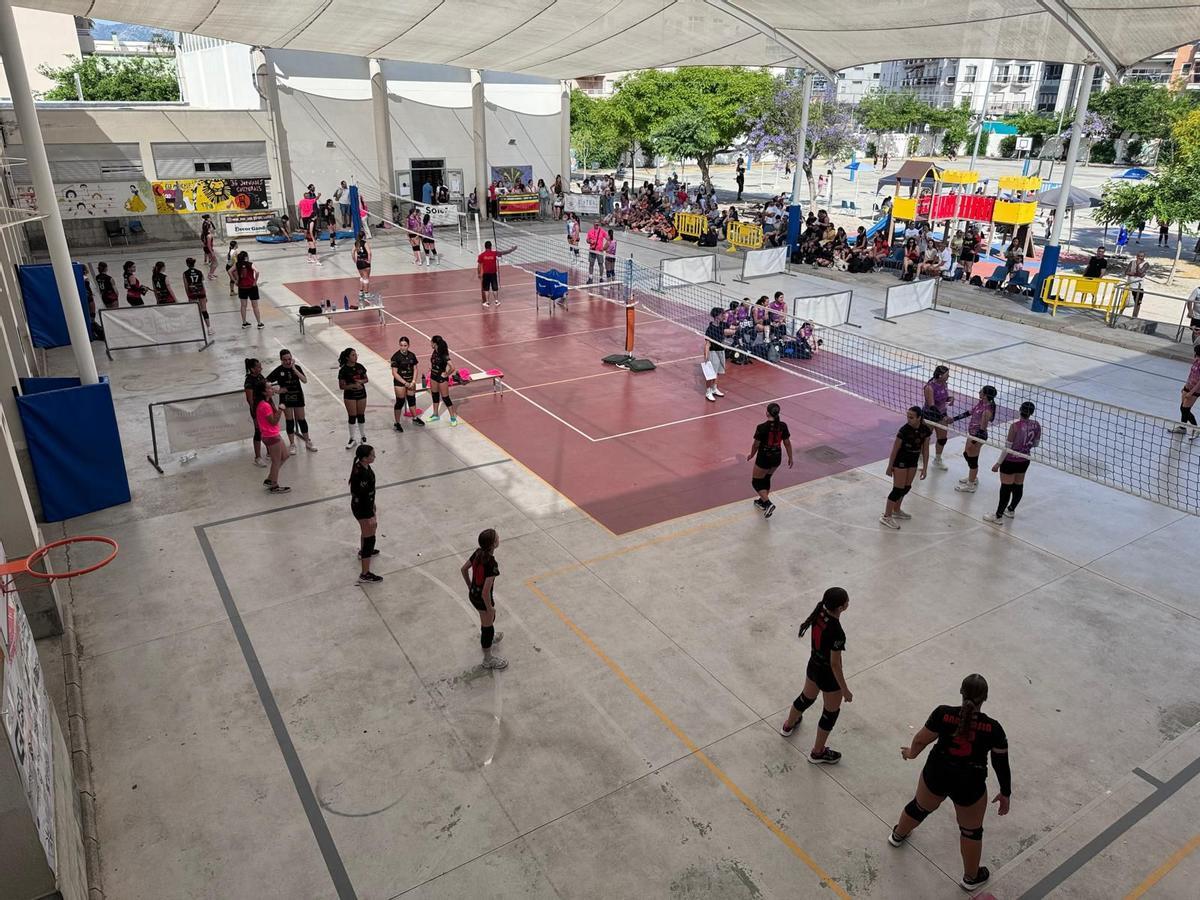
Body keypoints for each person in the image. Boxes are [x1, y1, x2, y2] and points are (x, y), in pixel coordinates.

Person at [890, 676, 1010, 894]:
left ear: (961, 693)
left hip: (937, 773)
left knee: (919, 806)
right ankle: (971, 878)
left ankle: (898, 835)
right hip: (970, 784)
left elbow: (920, 740)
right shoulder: (994, 729)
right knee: (971, 831)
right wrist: (1005, 792)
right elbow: (1000, 763)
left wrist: (911, 754)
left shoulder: (943, 713)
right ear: (986, 698)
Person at [778, 586, 853, 765]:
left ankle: (789, 724)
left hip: (813, 666)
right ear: (842, 607)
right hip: (828, 676)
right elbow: (835, 663)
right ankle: (818, 753)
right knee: (830, 713)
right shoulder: (837, 632)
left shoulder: (819, 613)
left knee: (805, 698)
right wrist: (845, 690)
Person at [984, 401, 1041, 524]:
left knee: (1005, 488)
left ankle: (998, 516)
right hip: (1024, 460)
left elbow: (1007, 447)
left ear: (1020, 410)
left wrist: (998, 463)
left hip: (1010, 461)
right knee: (1018, 485)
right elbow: (1035, 444)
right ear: (1031, 412)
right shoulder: (1036, 425)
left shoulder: (1015, 426)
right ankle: (1011, 510)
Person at [460, 528, 507, 670]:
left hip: (474, 595)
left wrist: (470, 585)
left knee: (489, 621)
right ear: (493, 544)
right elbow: (486, 592)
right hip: (481, 599)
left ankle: (489, 639)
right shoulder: (491, 564)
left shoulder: (477, 552)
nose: (499, 538)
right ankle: (488, 659)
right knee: (487, 628)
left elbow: (463, 569)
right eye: (497, 538)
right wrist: (489, 607)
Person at [881, 407, 931, 530]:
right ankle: (886, 516)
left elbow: (925, 450)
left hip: (913, 461)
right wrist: (890, 466)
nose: (908, 419)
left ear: (919, 417)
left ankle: (896, 510)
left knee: (906, 487)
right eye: (907, 416)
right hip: (901, 461)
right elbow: (895, 450)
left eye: (911, 417)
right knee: (898, 489)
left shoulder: (925, 430)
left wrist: (925, 467)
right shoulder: (904, 430)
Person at [747, 403, 793, 517]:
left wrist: (751, 455)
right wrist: (790, 457)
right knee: (767, 478)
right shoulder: (783, 426)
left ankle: (768, 503)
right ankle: (762, 502)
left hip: (764, 458)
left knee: (756, 482)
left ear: (767, 413)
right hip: (777, 457)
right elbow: (787, 443)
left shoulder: (762, 427)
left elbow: (756, 445)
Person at [267, 349, 316, 453]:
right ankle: (292, 444)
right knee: (290, 421)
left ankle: (307, 441)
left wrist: (294, 369)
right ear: (281, 360)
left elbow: (304, 380)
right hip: (286, 398)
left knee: (301, 419)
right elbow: (266, 382)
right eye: (285, 360)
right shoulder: (278, 370)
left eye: (289, 359)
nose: (288, 361)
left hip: (297, 396)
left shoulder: (296, 367)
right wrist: (278, 390)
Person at [349, 444, 382, 583]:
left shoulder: (361, 466)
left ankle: (363, 552)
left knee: (369, 530)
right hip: (362, 508)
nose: (374, 457)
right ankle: (365, 574)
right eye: (372, 455)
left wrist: (372, 504)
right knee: (370, 539)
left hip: (364, 505)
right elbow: (362, 496)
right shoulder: (361, 474)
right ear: (364, 459)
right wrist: (370, 515)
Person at [254, 380, 290, 494]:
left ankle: (270, 479)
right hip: (271, 436)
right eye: (269, 388)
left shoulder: (267, 402)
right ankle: (274, 485)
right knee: (276, 461)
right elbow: (273, 421)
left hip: (274, 434)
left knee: (285, 455)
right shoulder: (264, 406)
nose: (272, 389)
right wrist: (281, 409)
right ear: (264, 392)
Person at [922, 365, 955, 469]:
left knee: (942, 439)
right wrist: (944, 418)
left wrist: (951, 398)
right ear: (940, 375)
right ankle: (919, 457)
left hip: (942, 414)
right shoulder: (929, 387)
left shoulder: (944, 384)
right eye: (947, 374)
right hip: (929, 415)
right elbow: (932, 406)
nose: (949, 376)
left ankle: (937, 460)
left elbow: (942, 399)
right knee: (924, 438)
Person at [390, 335, 425, 431]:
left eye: (405, 345)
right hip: (400, 383)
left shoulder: (412, 355)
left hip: (410, 382)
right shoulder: (395, 357)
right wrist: (405, 383)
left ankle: (415, 418)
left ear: (408, 345)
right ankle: (397, 423)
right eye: (401, 345)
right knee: (400, 402)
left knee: (412, 400)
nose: (403, 347)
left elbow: (415, 369)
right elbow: (394, 373)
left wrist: (413, 381)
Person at [337, 348, 369, 448]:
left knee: (361, 415)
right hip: (350, 396)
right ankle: (352, 439)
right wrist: (352, 386)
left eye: (356, 355)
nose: (355, 357)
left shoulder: (360, 367)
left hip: (361, 394)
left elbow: (366, 379)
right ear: (347, 357)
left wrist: (360, 382)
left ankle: (363, 437)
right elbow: (342, 386)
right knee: (352, 416)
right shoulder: (343, 370)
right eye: (353, 355)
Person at [1169, 345, 1200, 440]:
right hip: (1188, 387)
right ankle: (1183, 428)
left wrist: (1191, 393)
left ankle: (1196, 429)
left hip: (1195, 390)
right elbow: (1190, 375)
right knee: (1183, 408)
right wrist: (1185, 387)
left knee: (1186, 409)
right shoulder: (1195, 361)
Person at [703, 306, 733, 401]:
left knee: (718, 373)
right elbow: (707, 344)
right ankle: (708, 392)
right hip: (713, 352)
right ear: (716, 316)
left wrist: (740, 326)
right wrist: (706, 357)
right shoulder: (710, 329)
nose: (723, 315)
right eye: (721, 314)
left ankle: (714, 389)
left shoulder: (723, 325)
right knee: (711, 373)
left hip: (721, 351)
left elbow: (732, 328)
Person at [427, 335, 458, 425]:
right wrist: (432, 368)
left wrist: (446, 374)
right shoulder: (434, 351)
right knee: (435, 395)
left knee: (445, 398)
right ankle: (435, 414)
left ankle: (452, 417)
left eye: (431, 342)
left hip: (441, 378)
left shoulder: (444, 354)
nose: (430, 343)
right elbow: (434, 362)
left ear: (435, 344)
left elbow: (452, 367)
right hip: (433, 376)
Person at [477, 240, 517, 307]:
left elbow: (479, 265)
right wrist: (512, 249)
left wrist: (478, 273)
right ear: (491, 247)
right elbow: (504, 252)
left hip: (486, 274)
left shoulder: (481, 255)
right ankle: (496, 301)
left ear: (485, 247)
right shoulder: (494, 253)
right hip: (493, 273)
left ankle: (487, 302)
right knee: (494, 288)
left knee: (486, 289)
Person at [244, 358, 268, 468]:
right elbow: (250, 400)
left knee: (267, 430)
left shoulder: (260, 376)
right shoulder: (249, 381)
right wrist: (256, 413)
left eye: (260, 366)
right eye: (258, 367)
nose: (261, 368)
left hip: (265, 407)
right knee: (258, 431)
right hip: (257, 410)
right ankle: (257, 457)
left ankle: (269, 452)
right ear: (252, 369)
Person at [182, 257, 212, 335]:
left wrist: (188, 296)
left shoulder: (185, 273)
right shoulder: (199, 272)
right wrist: (205, 295)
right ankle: (209, 328)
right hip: (201, 292)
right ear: (194, 264)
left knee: (194, 310)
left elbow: (186, 286)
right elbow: (203, 283)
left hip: (192, 293)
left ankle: (198, 329)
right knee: (204, 310)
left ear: (187, 264)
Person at [234, 251, 264, 329]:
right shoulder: (250, 264)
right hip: (252, 287)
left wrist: (235, 280)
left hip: (242, 287)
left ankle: (244, 323)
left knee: (243, 306)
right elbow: (257, 271)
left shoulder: (237, 264)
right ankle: (259, 323)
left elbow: (230, 271)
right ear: (246, 257)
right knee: (255, 306)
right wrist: (255, 281)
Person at [1125, 251, 1149, 318]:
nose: (1140, 257)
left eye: (1141, 256)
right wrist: (1135, 273)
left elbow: (1141, 273)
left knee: (1137, 303)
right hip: (1129, 285)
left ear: (1144, 257)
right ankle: (1120, 313)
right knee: (1124, 300)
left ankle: (1134, 316)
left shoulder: (1146, 264)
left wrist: (1138, 266)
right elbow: (1126, 272)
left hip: (1138, 287)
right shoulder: (1132, 262)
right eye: (1139, 256)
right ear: (1136, 256)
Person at [586, 220, 607, 284]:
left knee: (600, 264)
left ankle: (601, 278)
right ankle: (590, 278)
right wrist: (590, 241)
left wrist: (604, 248)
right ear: (593, 224)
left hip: (599, 251)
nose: (597, 225)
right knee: (591, 264)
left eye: (598, 224)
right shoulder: (590, 231)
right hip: (592, 250)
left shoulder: (602, 231)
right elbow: (587, 240)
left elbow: (608, 239)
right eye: (595, 224)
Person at [353, 233, 371, 301]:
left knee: (362, 277)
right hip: (365, 261)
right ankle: (366, 293)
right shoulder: (365, 243)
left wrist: (354, 259)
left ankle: (361, 292)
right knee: (366, 278)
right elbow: (369, 252)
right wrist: (369, 261)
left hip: (359, 262)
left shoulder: (356, 243)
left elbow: (352, 251)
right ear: (364, 236)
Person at [200, 213, 217, 279]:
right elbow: (208, 245)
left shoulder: (206, 233)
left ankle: (211, 273)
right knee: (215, 262)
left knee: (213, 262)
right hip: (208, 248)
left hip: (207, 248)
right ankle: (210, 274)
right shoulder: (208, 235)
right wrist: (212, 252)